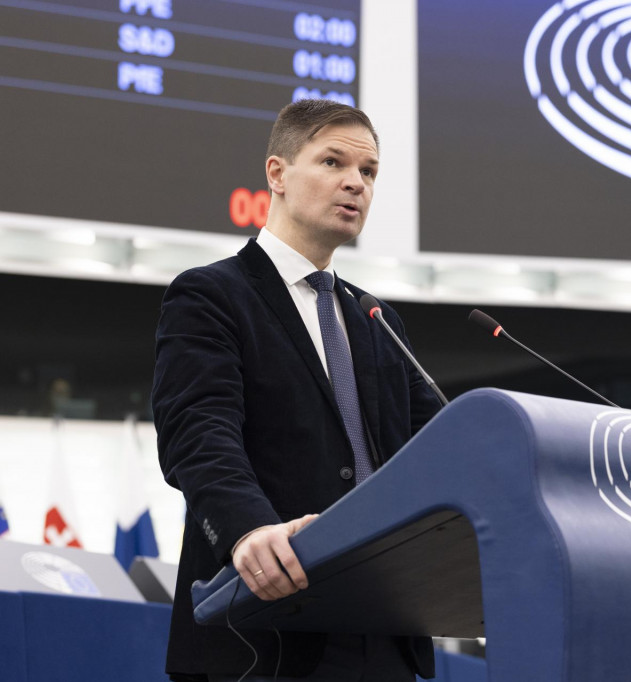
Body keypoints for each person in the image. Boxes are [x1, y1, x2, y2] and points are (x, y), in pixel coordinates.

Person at [152, 100, 443, 681]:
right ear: (277, 174)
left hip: (382, 631)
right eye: (333, 161)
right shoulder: (211, 295)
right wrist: (248, 530)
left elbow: (438, 451)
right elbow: (198, 432)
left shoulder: (375, 318)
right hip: (264, 627)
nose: (354, 183)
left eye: (369, 172)